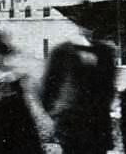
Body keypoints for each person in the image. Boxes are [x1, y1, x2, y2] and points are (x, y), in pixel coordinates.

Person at [40, 21, 116, 154]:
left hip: (97, 123)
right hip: (70, 122)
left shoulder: (104, 53)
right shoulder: (62, 52)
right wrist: (56, 114)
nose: (88, 29)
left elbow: (109, 86)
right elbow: (48, 86)